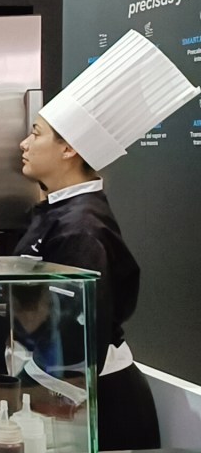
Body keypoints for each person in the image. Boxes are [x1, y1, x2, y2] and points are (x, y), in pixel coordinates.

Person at [13, 29, 199, 450]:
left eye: (37, 133)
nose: (24, 143)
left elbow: (81, 333)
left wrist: (49, 391)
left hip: (96, 404)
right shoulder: (59, 211)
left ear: (68, 150)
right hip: (69, 391)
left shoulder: (82, 227)